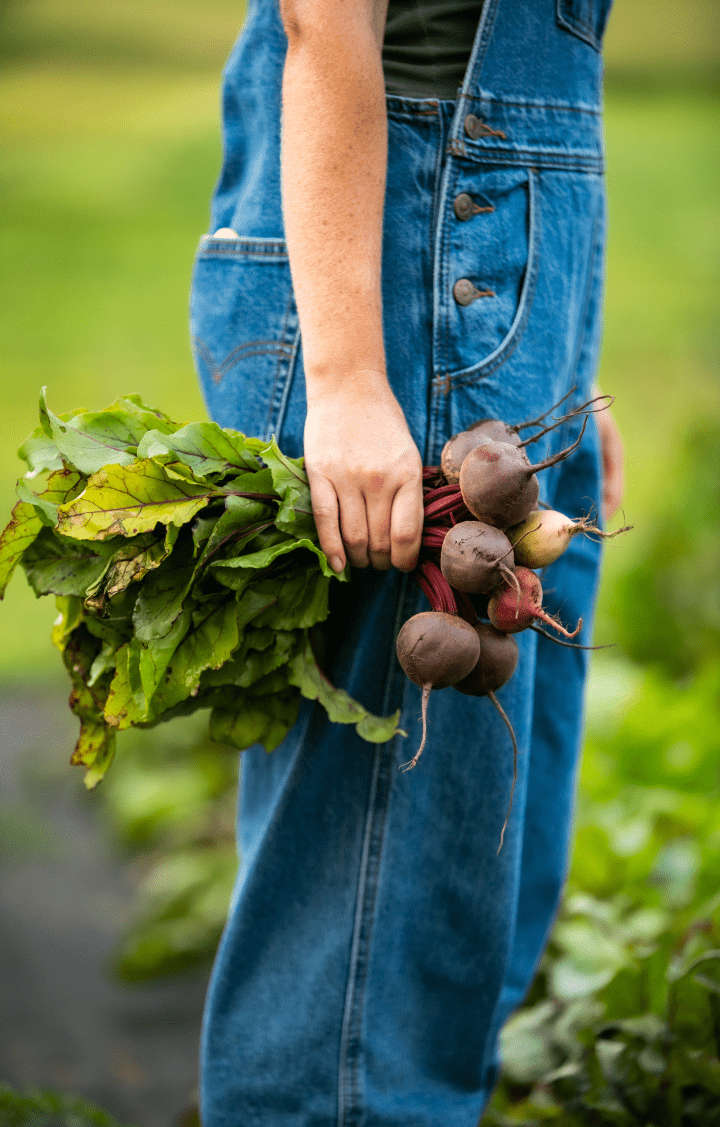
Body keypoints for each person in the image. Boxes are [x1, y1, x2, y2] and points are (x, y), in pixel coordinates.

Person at [189, 0, 623, 1122]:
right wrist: (344, 377)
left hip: (500, 284)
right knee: (371, 942)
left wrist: (567, 365)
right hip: (427, 251)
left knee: (469, 885)